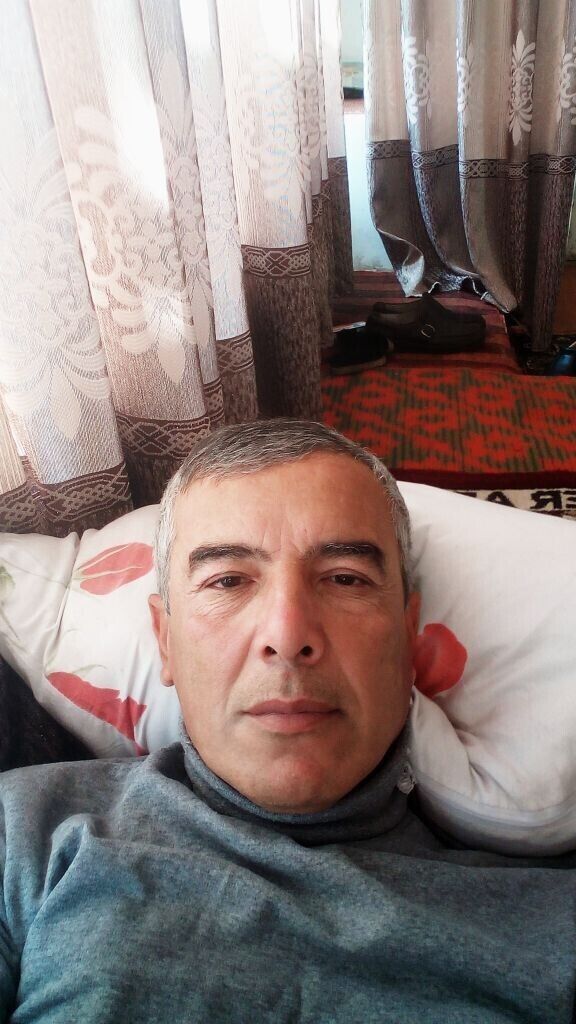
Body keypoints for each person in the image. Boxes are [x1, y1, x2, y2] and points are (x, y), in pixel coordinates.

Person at [1, 419, 575, 1023]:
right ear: (165, 641)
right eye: (228, 581)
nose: (287, 633)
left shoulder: (551, 915)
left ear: (409, 638)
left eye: (345, 578)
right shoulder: (28, 831)